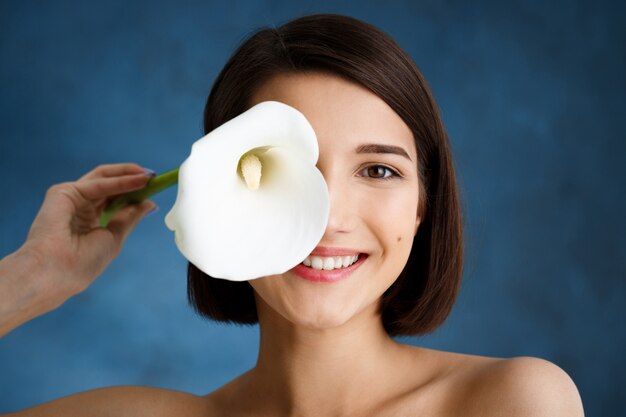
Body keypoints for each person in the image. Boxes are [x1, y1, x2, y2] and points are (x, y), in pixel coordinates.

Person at [0, 13, 583, 417]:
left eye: (378, 170)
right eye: (296, 169)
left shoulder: (513, 401)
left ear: (425, 204)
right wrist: (32, 277)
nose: (328, 219)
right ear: (215, 196)